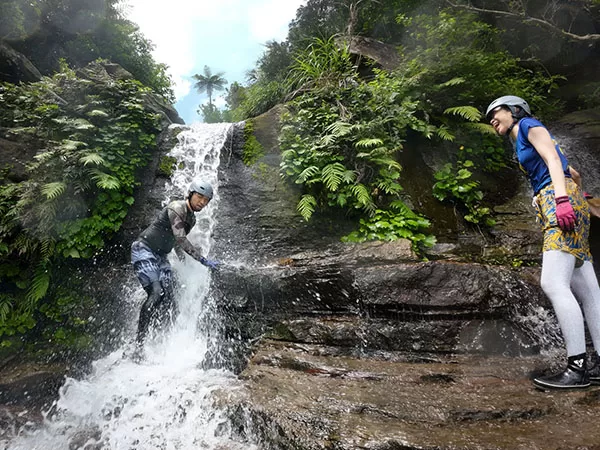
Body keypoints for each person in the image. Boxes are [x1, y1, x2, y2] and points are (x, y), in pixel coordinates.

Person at [486, 95, 600, 389]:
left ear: (513, 110)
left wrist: (562, 199)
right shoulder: (521, 137)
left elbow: (552, 160)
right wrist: (581, 197)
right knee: (589, 292)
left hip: (558, 203)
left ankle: (577, 369)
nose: (491, 119)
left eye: (495, 112)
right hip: (568, 204)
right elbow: (572, 171)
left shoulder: (528, 125)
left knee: (553, 283)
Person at [130, 178, 220, 353]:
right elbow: (180, 238)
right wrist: (202, 260)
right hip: (144, 249)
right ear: (191, 194)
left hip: (161, 257)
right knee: (156, 292)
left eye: (206, 200)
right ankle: (138, 346)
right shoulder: (176, 207)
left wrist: (186, 262)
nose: (202, 202)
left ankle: (160, 341)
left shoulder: (191, 219)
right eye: (199, 197)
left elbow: (177, 243)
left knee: (170, 297)